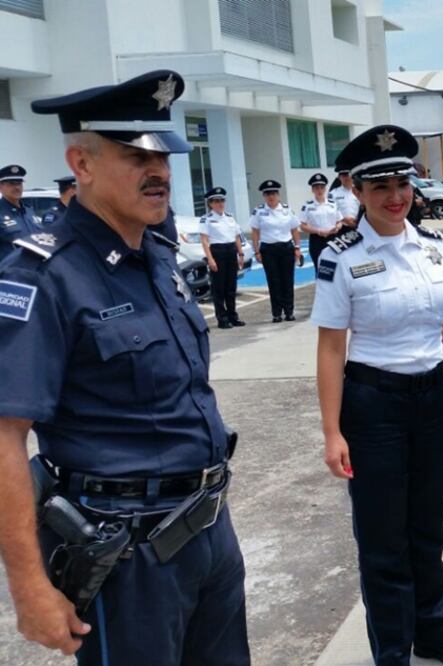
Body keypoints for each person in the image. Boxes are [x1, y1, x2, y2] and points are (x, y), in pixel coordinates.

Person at [0, 69, 248, 665]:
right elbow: (5, 438)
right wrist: (28, 587)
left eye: (163, 156)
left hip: (210, 527)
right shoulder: (43, 276)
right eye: (136, 156)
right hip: (127, 555)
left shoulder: (157, 258)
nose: (158, 170)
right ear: (81, 164)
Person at [312, 124, 443, 666]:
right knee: (383, 537)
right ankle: (392, 649)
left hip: (431, 400)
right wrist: (332, 432)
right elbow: (330, 349)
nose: (395, 197)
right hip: (374, 408)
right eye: (381, 187)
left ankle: (433, 631)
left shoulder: (431, 247)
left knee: (428, 528)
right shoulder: (340, 257)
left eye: (402, 184)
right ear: (357, 190)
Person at [250, 179, 302, 322]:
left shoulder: (286, 209)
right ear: (264, 196)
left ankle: (289, 312)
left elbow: (294, 230)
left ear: (278, 195)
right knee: (274, 282)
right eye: (267, 194)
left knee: (288, 280)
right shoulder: (259, 211)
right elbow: (255, 232)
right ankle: (277, 313)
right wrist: (256, 251)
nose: (271, 197)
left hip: (286, 248)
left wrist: (297, 247)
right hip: (268, 249)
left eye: (273, 193)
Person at [199, 186, 246, 329]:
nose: (220, 204)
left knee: (231, 287)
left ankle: (233, 316)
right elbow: (204, 240)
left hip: (231, 251)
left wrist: (240, 253)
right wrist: (210, 259)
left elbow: (236, 237)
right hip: (217, 252)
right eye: (216, 201)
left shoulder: (230, 217)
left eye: (222, 201)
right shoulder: (206, 219)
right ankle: (222, 319)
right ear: (210, 204)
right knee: (219, 288)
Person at [300, 172, 343, 268]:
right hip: (316, 239)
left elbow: (339, 221)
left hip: (332, 238)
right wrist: (318, 231)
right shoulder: (307, 206)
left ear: (325, 188)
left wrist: (337, 228)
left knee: (336, 267)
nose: (319, 190)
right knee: (319, 267)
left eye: (322, 187)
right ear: (312, 190)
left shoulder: (333, 204)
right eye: (316, 188)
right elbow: (302, 226)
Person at [0, 164, 38, 260]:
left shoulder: (29, 210)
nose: (17, 187)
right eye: (12, 183)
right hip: (11, 268)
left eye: (19, 183)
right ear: (1, 186)